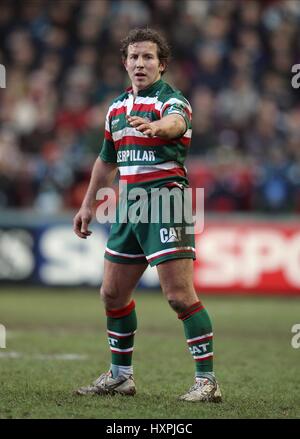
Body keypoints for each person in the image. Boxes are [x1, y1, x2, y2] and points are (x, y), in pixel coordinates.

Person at [73, 28, 222, 402]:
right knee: (111, 293)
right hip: (128, 207)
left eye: (148, 57)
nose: (140, 63)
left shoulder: (172, 101)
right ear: (125, 63)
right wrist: (88, 204)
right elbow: (107, 160)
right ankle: (121, 376)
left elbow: (178, 123)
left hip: (166, 203)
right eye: (134, 57)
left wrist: (158, 128)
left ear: (162, 64)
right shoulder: (116, 108)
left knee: (179, 296)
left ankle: (207, 381)